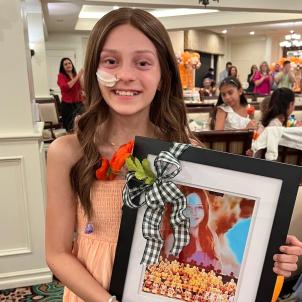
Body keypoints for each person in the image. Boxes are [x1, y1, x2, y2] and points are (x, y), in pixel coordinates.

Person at [45, 8, 302, 302]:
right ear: (94, 70)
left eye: (142, 62)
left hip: (161, 289)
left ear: (163, 74)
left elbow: (214, 232)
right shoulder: (68, 152)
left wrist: (271, 255)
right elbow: (57, 253)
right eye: (111, 61)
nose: (125, 75)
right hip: (91, 291)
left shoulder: (187, 150)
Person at [161, 187, 219, 269]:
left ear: (205, 209)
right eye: (188, 207)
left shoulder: (212, 236)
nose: (194, 213)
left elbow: (219, 268)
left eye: (199, 207)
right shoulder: (173, 239)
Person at [57, 57, 84, 131]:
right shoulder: (61, 76)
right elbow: (66, 87)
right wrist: (78, 76)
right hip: (67, 105)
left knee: (82, 126)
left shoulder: (75, 75)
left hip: (78, 103)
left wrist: (81, 77)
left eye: (69, 63)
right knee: (70, 128)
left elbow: (82, 87)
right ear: (63, 67)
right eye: (65, 64)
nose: (68, 65)